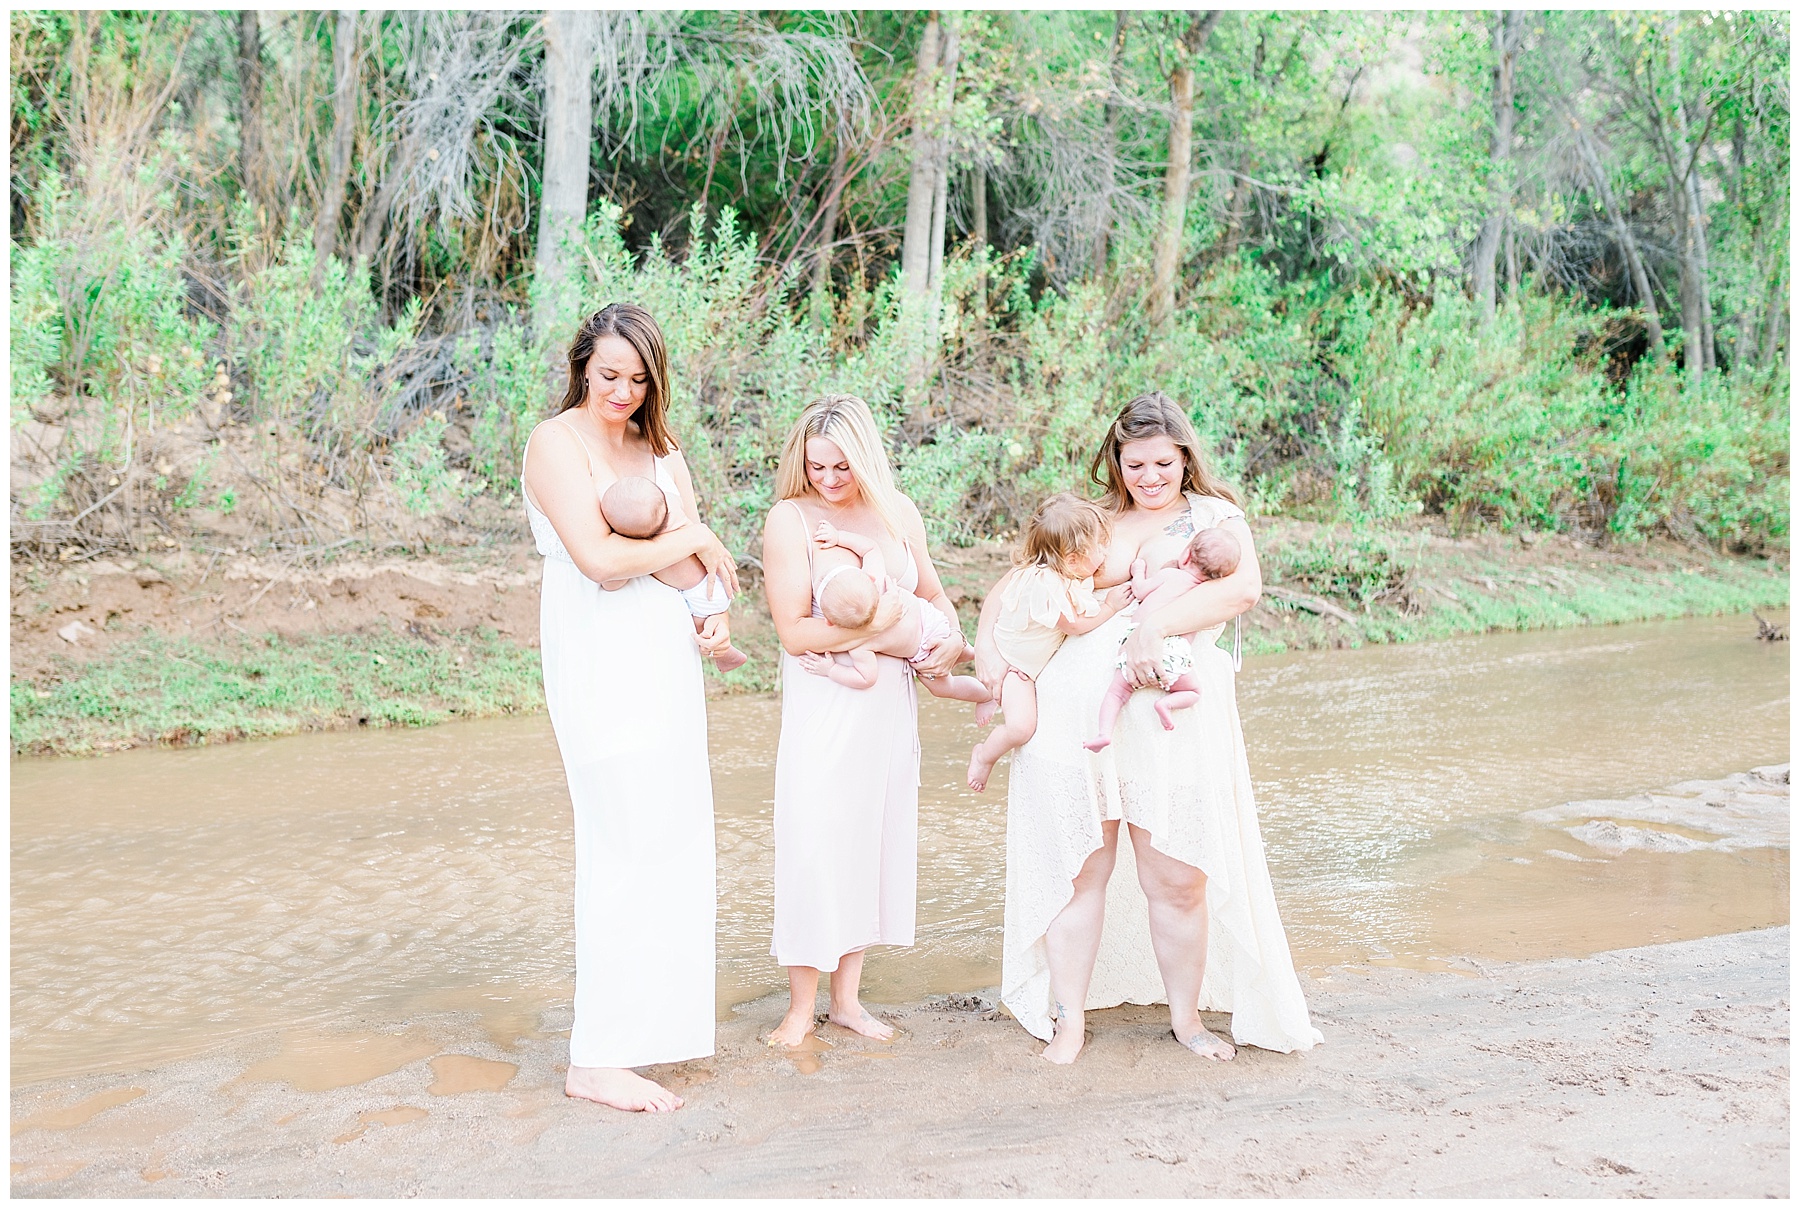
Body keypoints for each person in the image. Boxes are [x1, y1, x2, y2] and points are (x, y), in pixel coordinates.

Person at [976, 390, 1322, 1065]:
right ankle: (1070, 1018)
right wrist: (989, 645)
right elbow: (1016, 582)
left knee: (1177, 877)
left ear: (1185, 456)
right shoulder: (1096, 518)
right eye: (1135, 465)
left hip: (1171, 724)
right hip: (1074, 716)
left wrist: (1158, 625)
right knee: (1082, 869)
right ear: (1117, 461)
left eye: (1162, 462)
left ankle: (1187, 1018)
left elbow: (1243, 589)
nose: (1150, 477)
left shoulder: (1215, 518)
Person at [520, 303, 740, 1112]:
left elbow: (701, 566)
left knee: (672, 839)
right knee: (619, 838)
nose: (622, 390)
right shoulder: (557, 443)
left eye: (639, 378)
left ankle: (650, 1032)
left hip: (667, 660)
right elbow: (601, 560)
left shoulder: (661, 447)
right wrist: (691, 541)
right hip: (597, 656)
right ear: (583, 362)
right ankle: (596, 1056)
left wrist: (711, 604)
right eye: (609, 373)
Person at [760, 394, 968, 1048]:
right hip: (827, 699)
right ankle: (799, 1006)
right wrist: (883, 625)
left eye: (841, 467)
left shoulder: (896, 512)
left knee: (867, 843)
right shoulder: (790, 520)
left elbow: (932, 592)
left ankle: (847, 999)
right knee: (812, 843)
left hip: (887, 704)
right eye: (816, 465)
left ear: (866, 459)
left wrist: (953, 636)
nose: (827, 478)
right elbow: (794, 632)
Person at [966, 493, 1132, 792]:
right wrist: (1110, 606)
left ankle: (986, 696)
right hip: (1015, 668)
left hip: (1016, 655)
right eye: (1100, 546)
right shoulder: (1047, 586)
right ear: (1072, 559)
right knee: (1021, 727)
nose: (1105, 551)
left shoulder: (1057, 572)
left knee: (978, 692)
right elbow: (1076, 626)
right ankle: (985, 755)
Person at [1085, 526, 1241, 751]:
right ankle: (1167, 703)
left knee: (1117, 693)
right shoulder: (1205, 594)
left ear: (1186, 555)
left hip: (1136, 643)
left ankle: (1103, 733)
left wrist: (1139, 570)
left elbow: (1139, 591)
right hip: (1173, 656)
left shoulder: (1170, 576)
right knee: (1193, 691)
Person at [802, 519, 989, 704]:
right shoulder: (878, 581)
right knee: (961, 649)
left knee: (946, 687)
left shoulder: (857, 643)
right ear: (867, 576)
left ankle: (987, 697)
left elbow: (866, 678)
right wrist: (838, 537)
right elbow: (870, 548)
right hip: (932, 619)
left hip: (924, 650)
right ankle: (973, 653)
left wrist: (830, 669)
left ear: (829, 622)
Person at [598, 474, 748, 671]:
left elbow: (612, 583)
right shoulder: (673, 507)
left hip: (702, 597)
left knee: (701, 630)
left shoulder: (646, 548)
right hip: (711, 582)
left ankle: (728, 656)